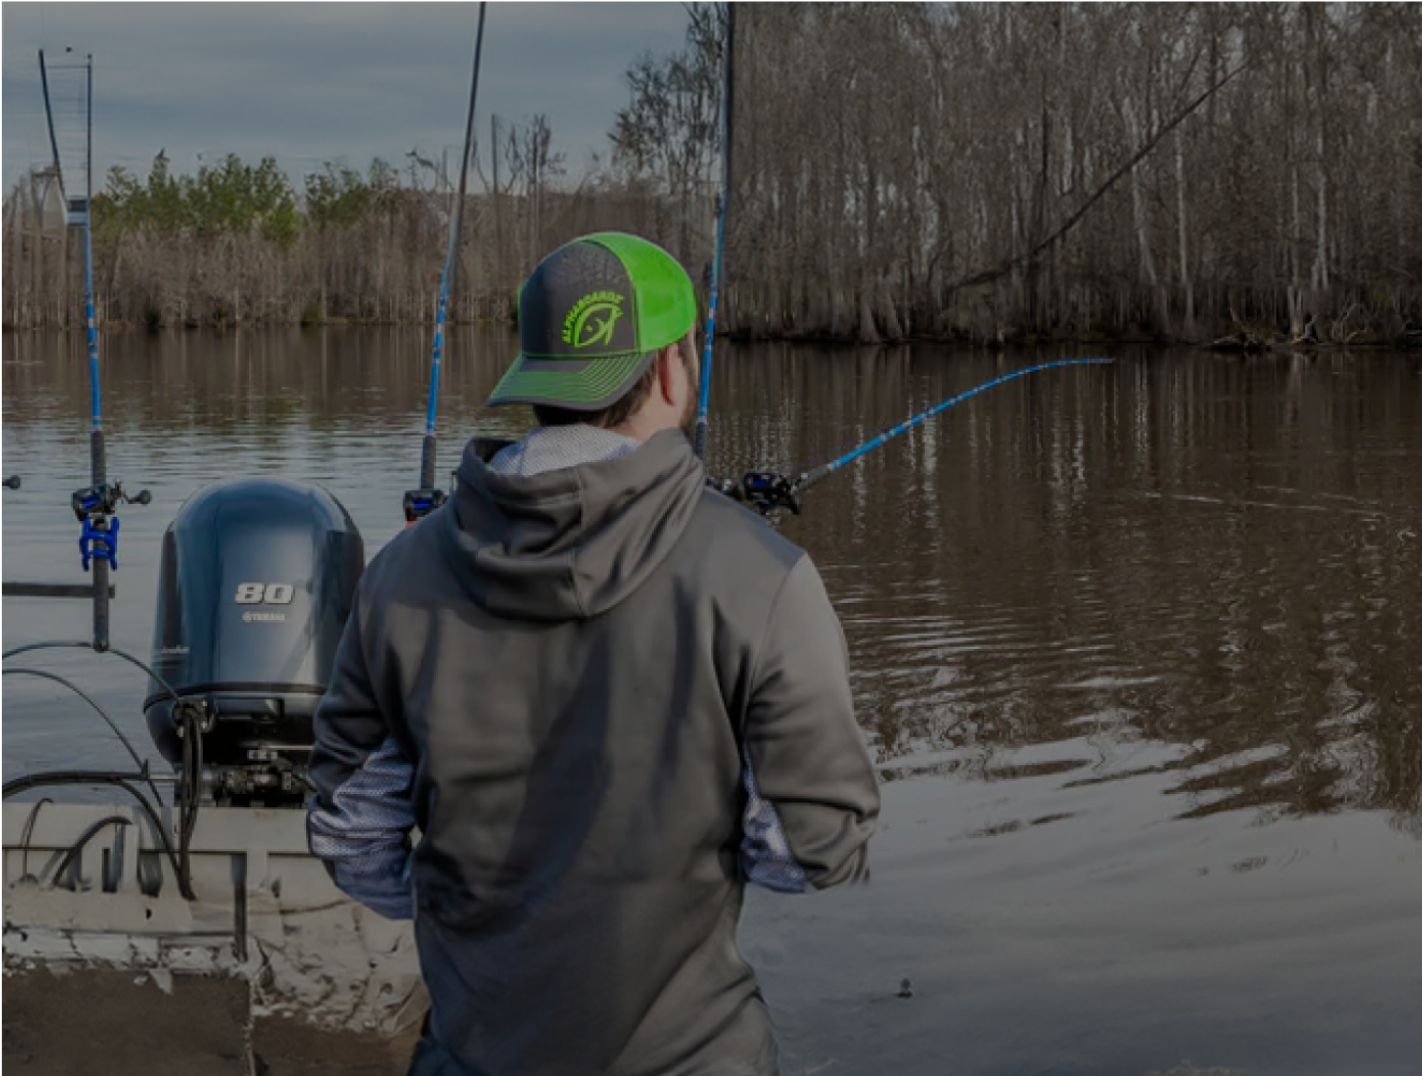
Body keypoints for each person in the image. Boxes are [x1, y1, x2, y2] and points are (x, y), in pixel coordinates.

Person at [308, 232, 880, 1076]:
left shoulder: (399, 575)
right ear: (671, 369)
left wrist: (483, 921)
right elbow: (814, 848)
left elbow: (354, 838)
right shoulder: (766, 576)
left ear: (538, 378)